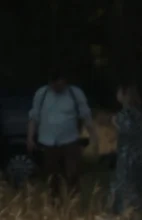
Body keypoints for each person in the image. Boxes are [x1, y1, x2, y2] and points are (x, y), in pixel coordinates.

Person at [26, 67, 99, 197]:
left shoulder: (75, 94)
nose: (56, 87)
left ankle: (72, 204)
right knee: (52, 178)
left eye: (59, 84)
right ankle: (55, 207)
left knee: (72, 175)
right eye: (54, 84)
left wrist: (94, 138)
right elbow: (34, 117)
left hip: (70, 140)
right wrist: (30, 137)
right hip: (48, 142)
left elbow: (86, 116)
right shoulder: (41, 94)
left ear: (64, 81)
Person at [106, 84, 142, 220]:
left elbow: (127, 131)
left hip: (127, 155)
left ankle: (125, 216)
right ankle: (133, 216)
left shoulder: (125, 114)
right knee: (135, 185)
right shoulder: (139, 113)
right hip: (139, 154)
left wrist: (115, 123)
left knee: (126, 184)